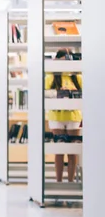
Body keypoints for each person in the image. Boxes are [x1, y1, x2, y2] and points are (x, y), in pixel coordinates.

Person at [45, 48, 82, 183]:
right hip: (56, 117)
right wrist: (59, 93)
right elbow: (44, 93)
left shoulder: (78, 77)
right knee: (59, 151)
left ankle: (71, 183)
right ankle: (59, 182)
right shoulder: (51, 76)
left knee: (72, 152)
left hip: (73, 117)